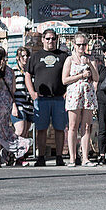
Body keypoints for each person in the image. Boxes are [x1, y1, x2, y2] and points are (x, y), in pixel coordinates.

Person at [0, 42, 31, 164]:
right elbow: (13, 89)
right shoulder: (10, 71)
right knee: (3, 129)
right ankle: (10, 151)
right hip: (6, 103)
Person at [25, 29, 69, 166]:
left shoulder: (63, 56)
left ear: (57, 39)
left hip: (59, 98)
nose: (51, 41)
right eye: (48, 38)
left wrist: (67, 92)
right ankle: (41, 157)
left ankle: (59, 156)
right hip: (41, 98)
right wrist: (32, 92)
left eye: (53, 38)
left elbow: (70, 73)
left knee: (60, 129)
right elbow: (28, 75)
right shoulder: (35, 56)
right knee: (41, 129)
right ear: (43, 39)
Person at [62, 32, 98, 166]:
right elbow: (64, 79)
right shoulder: (70, 60)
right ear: (74, 45)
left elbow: (96, 78)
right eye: (79, 44)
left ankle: (85, 158)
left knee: (87, 126)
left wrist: (90, 64)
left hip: (87, 93)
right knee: (73, 126)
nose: (82, 47)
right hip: (74, 93)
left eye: (84, 44)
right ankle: (72, 157)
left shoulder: (91, 59)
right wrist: (81, 75)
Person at [12, 46, 35, 143]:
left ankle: (20, 156)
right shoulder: (14, 71)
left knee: (25, 133)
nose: (25, 58)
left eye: (27, 56)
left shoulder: (30, 72)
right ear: (18, 57)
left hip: (29, 105)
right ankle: (11, 151)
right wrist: (13, 106)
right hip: (18, 104)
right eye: (23, 56)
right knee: (20, 130)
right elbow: (10, 90)